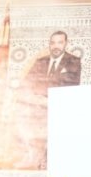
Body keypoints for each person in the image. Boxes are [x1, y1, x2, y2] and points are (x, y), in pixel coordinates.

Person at [13, 29, 81, 169]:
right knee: (22, 115)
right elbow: (28, 82)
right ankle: (32, 155)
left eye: (60, 43)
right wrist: (35, 98)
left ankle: (45, 159)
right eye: (53, 43)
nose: (56, 46)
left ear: (66, 43)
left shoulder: (73, 61)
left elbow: (70, 85)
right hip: (37, 104)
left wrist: (46, 98)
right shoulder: (41, 61)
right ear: (49, 44)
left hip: (59, 105)